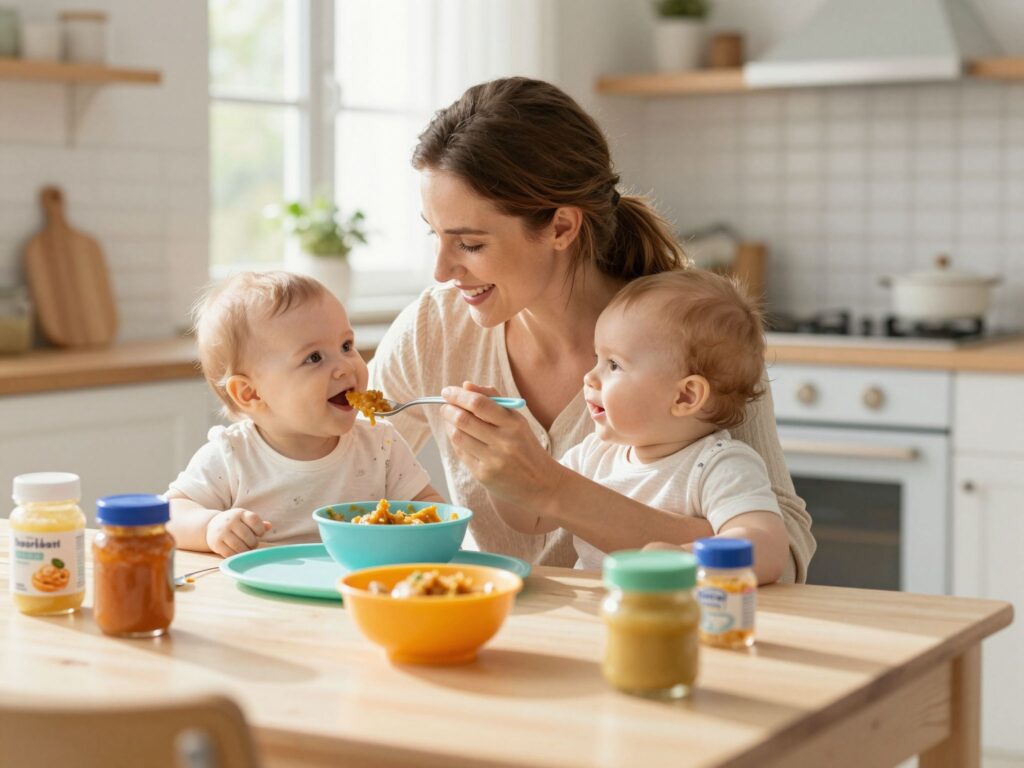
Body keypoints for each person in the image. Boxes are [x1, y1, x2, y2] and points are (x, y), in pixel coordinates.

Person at [369, 76, 814, 581]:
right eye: (436, 235)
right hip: (490, 630)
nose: (442, 271)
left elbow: (785, 554)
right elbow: (346, 458)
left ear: (561, 226)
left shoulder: (687, 337)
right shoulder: (436, 327)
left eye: (470, 244)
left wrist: (556, 490)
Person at [487, 269, 788, 583]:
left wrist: (688, 559)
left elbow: (767, 548)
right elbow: (530, 516)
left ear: (686, 395)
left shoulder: (719, 465)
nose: (589, 377)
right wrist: (494, 464)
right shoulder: (596, 453)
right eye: (596, 358)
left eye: (613, 364)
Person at [167, 271, 442, 557]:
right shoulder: (233, 456)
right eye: (314, 358)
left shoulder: (380, 445)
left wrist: (429, 531)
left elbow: (428, 509)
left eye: (346, 346)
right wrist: (210, 526)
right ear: (251, 393)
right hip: (264, 594)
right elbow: (169, 514)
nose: (346, 366)